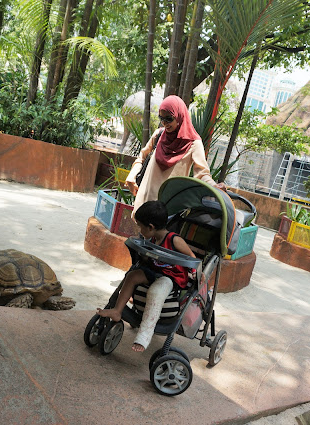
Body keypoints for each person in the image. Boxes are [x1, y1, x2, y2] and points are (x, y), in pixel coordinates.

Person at [97, 200, 195, 352]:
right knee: (132, 276)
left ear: (151, 227)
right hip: (155, 272)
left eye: (140, 226)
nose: (139, 229)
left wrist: (197, 274)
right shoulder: (153, 238)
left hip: (171, 278)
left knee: (155, 292)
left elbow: (191, 258)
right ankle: (117, 310)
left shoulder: (174, 240)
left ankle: (144, 336)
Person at [125, 95, 225, 214]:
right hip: (146, 201)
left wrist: (214, 186)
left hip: (168, 207)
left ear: (179, 115)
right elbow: (142, 157)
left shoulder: (193, 143)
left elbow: (202, 173)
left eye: (169, 118)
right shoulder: (159, 135)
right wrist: (132, 176)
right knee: (143, 231)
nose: (164, 123)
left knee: (160, 231)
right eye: (161, 118)